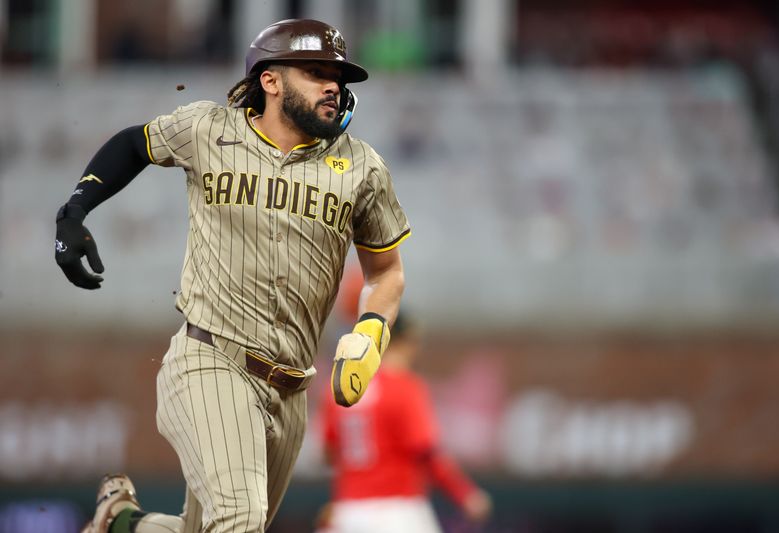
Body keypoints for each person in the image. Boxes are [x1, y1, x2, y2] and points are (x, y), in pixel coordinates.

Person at [53, 18, 410, 533]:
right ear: (270, 80)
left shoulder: (361, 166)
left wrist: (372, 331)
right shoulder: (209, 129)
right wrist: (73, 211)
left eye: (339, 77)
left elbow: (386, 272)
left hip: (290, 390)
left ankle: (121, 522)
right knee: (239, 518)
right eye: (316, 71)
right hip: (211, 360)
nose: (334, 85)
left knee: (212, 528)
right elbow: (135, 144)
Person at [319, 311, 492, 533]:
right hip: (398, 513)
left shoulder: (338, 387)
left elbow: (327, 454)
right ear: (401, 342)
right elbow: (427, 453)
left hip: (347, 513)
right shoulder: (404, 387)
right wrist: (465, 494)